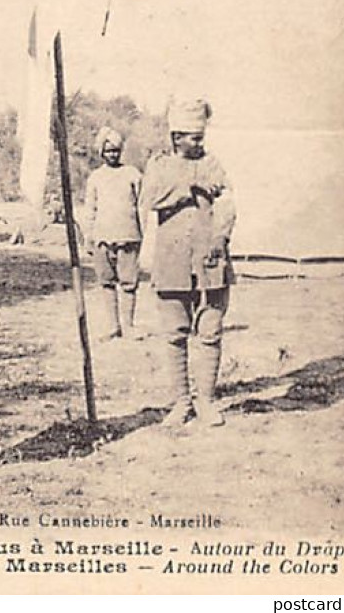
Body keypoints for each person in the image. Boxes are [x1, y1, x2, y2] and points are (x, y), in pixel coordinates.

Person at [139, 98, 236, 428]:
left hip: (210, 261)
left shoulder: (213, 163)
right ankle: (181, 403)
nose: (199, 143)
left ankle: (206, 401)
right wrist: (190, 186)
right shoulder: (159, 166)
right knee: (174, 334)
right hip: (172, 262)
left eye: (201, 136)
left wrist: (220, 240)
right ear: (176, 137)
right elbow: (150, 198)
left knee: (210, 331)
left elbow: (227, 202)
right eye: (193, 137)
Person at [83, 126, 144, 340]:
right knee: (107, 282)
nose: (112, 155)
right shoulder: (95, 178)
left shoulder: (132, 174)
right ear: (101, 153)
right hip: (102, 238)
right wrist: (88, 237)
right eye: (108, 151)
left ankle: (128, 325)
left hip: (128, 236)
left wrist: (144, 236)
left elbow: (142, 206)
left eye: (116, 151)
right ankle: (112, 326)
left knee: (128, 283)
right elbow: (89, 210)